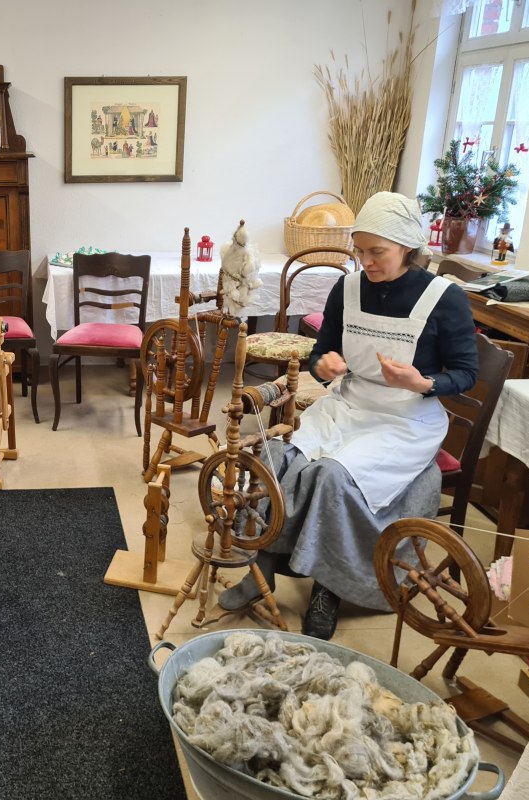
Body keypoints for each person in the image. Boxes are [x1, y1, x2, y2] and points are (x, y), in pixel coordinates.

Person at [219, 192, 479, 640]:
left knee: (332, 477)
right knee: (276, 455)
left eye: (377, 251)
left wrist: (422, 383)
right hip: (351, 401)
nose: (366, 260)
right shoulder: (349, 287)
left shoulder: (444, 298)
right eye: (360, 250)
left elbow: (466, 374)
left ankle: (328, 589)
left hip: (406, 419)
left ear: (407, 246)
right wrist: (325, 364)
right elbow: (324, 348)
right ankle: (259, 573)